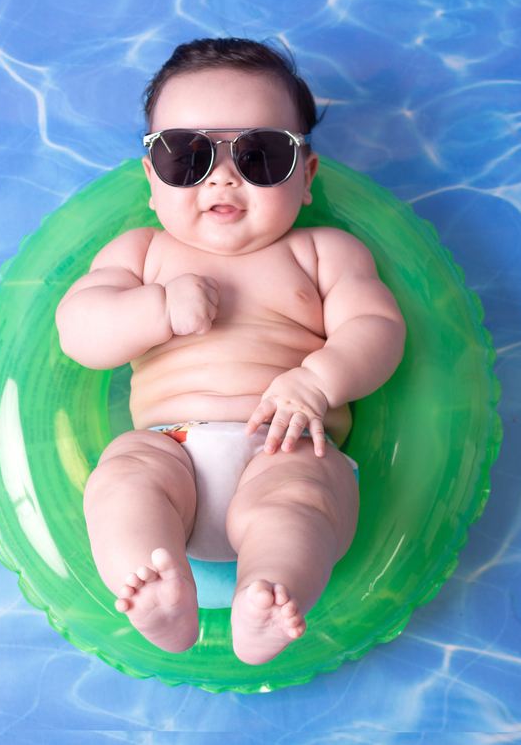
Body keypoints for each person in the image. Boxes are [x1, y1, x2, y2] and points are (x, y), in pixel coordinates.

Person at [56, 38, 405, 665]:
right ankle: (153, 586)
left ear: (306, 177)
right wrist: (155, 309)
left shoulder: (325, 252)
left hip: (288, 444)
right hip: (171, 450)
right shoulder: (140, 254)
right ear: (150, 178)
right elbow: (80, 333)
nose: (222, 175)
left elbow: (377, 329)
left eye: (262, 155)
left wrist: (318, 381)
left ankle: (269, 592)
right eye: (187, 155)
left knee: (301, 497)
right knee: (125, 473)